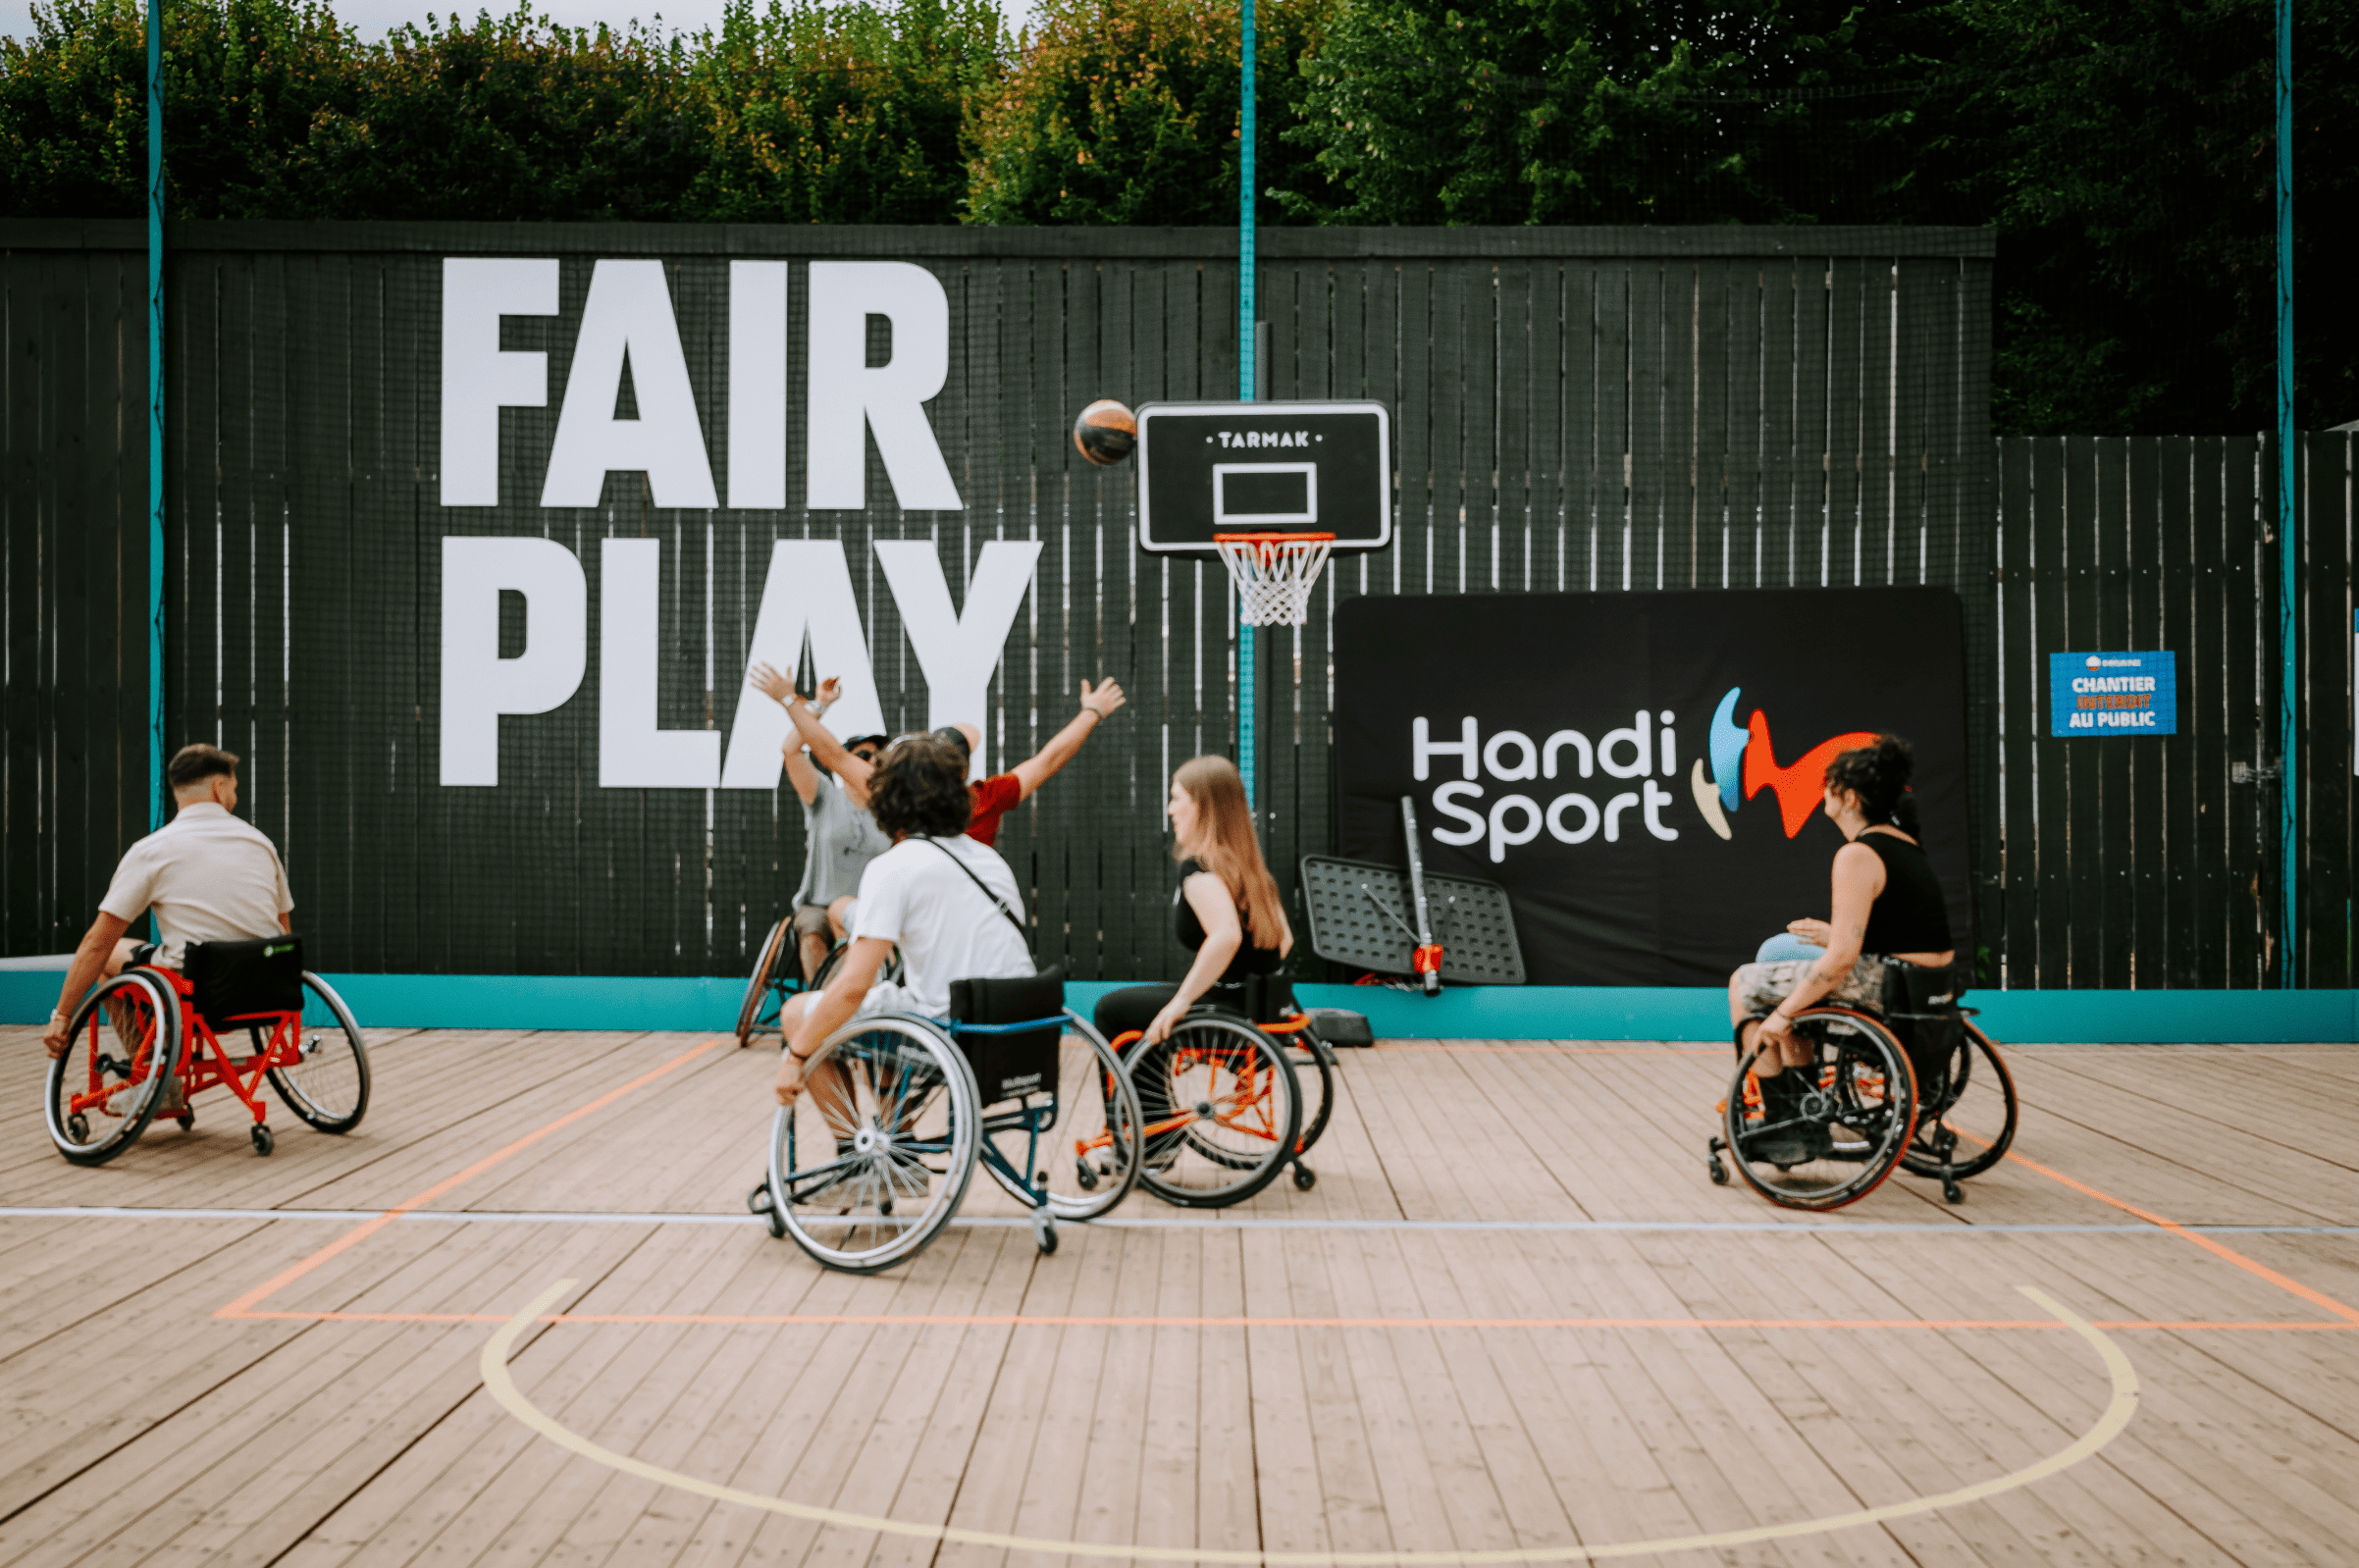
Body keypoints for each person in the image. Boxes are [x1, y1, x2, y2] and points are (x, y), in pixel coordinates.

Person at [773, 733, 1034, 1107]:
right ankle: (899, 1141)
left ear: (884, 798)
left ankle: (853, 1150)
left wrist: (796, 1056)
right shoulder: (990, 861)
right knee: (892, 1003)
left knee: (799, 1014)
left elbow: (852, 987)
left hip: (952, 1034)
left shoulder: (893, 866)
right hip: (1020, 1030)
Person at [1724, 735, 1954, 1159]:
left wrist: (1781, 1014)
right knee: (1789, 966)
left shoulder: (1857, 854)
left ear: (1848, 798)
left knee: (1744, 984)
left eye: (1828, 785)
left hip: (1886, 986)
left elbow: (1842, 961)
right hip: (1923, 985)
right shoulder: (1905, 847)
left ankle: (1784, 1119)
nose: (1822, 793)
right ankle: (1805, 1115)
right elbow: (1902, 933)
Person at [41, 745, 294, 1071]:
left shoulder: (153, 850)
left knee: (110, 953)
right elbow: (282, 927)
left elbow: (97, 943)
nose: (235, 798)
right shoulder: (260, 843)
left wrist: (62, 1016)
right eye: (234, 789)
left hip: (197, 994)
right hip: (266, 991)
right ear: (218, 788)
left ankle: (150, 1070)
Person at [748, 662, 1127, 849]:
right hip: (970, 923)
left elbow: (830, 753)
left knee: (839, 912)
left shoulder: (896, 796)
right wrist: (1090, 712)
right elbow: (1050, 759)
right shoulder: (984, 797)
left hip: (915, 910)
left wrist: (789, 699)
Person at [1092, 756, 1293, 1045]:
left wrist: (1182, 1001)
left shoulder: (1200, 872)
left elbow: (1226, 936)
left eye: (1176, 799)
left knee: (1111, 1010)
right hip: (1262, 1017)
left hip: (1226, 1019)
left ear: (1202, 806)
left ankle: (1141, 1093)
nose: (1170, 809)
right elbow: (1284, 941)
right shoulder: (1250, 870)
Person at [754, 674, 891, 983]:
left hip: (868, 910)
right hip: (819, 905)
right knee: (812, 931)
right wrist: (819, 705)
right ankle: (823, 1006)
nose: (872, 761)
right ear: (846, 762)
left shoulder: (890, 807)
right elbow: (791, 750)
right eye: (863, 755)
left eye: (879, 758)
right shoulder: (825, 794)